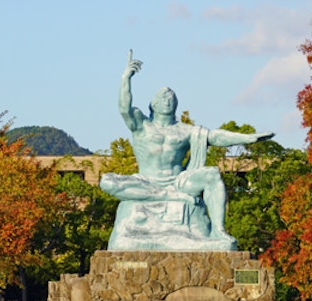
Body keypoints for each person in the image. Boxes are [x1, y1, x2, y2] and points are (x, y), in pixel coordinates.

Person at [99, 52, 274, 250]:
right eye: (162, 97)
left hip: (178, 182)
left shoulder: (185, 130)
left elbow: (215, 137)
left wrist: (247, 138)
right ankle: (164, 195)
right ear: (153, 105)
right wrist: (126, 79)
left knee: (211, 174)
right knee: (107, 181)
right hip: (146, 181)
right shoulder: (142, 125)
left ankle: (218, 231)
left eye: (171, 97)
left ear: (176, 103)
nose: (167, 100)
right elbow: (124, 108)